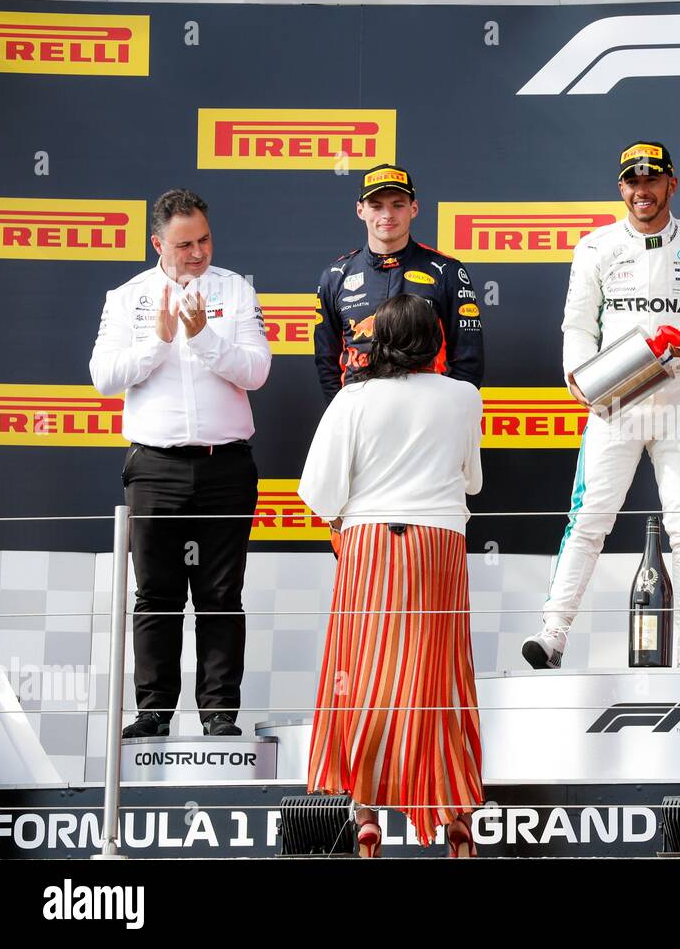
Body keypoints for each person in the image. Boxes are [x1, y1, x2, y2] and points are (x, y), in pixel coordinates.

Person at [522, 141, 680, 671]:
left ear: (672, 183)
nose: (641, 191)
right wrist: (580, 379)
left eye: (652, 180)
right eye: (631, 182)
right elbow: (578, 324)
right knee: (589, 517)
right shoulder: (595, 247)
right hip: (617, 399)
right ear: (621, 187)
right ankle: (553, 632)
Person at [299, 294, 484, 857]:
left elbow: (319, 492)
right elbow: (471, 481)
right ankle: (455, 820)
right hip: (441, 546)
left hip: (370, 545)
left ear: (376, 343)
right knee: (442, 679)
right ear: (436, 342)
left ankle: (365, 815)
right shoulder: (464, 396)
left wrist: (346, 516)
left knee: (360, 676)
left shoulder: (353, 400)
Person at [89, 188, 271, 738]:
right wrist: (159, 341)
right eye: (185, 244)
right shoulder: (127, 297)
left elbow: (256, 370)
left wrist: (203, 337)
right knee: (156, 593)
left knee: (221, 593)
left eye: (205, 239)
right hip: (154, 467)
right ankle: (153, 713)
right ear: (157, 244)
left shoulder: (235, 289)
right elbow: (104, 377)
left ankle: (219, 714)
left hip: (225, 466)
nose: (198, 253)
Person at [315, 163, 483, 399]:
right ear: (360, 210)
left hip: (427, 414)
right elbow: (326, 360)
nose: (387, 215)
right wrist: (342, 412)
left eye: (398, 205)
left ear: (413, 208)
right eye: (376, 206)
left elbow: (469, 358)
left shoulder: (446, 271)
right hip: (359, 414)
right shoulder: (336, 275)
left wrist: (444, 412)